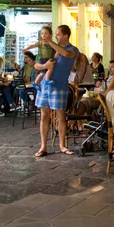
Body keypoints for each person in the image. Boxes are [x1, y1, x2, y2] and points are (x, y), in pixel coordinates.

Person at [34, 25, 79, 157]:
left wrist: (49, 42)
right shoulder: (52, 49)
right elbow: (37, 64)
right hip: (45, 85)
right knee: (44, 116)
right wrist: (45, 66)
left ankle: (62, 145)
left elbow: (66, 54)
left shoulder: (73, 49)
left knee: (60, 117)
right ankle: (43, 146)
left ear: (66, 36)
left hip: (59, 86)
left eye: (58, 34)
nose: (56, 37)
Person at [31, 27, 56, 91]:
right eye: (42, 33)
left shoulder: (55, 47)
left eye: (46, 33)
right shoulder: (42, 50)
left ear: (51, 35)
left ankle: (38, 82)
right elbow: (36, 66)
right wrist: (44, 66)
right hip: (44, 84)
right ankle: (38, 82)